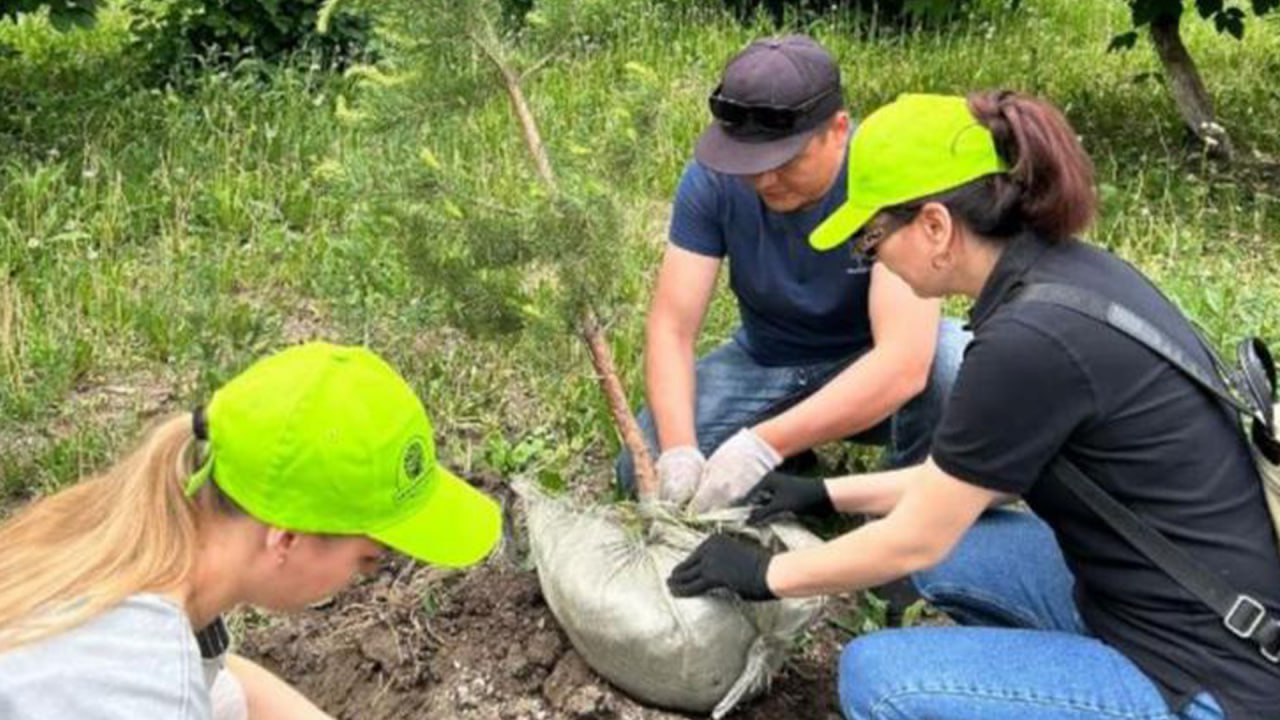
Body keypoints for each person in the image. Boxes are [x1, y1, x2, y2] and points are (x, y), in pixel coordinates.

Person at [665, 91, 1280, 719]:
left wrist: (764, 575)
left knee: (879, 677)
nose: (871, 258)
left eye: (871, 239)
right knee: (958, 550)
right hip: (1148, 593)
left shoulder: (1028, 340)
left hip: (1206, 676)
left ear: (934, 226)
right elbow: (974, 484)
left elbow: (916, 541)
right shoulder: (1067, 277)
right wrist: (824, 495)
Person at [0, 342, 502, 720]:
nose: (364, 577)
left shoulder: (111, 551)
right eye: (367, 560)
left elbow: (224, 686)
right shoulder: (140, 690)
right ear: (287, 539)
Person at [616, 34, 968, 511]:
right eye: (749, 162)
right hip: (767, 362)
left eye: (785, 161)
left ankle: (897, 505)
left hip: (867, 363)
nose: (764, 179)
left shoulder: (888, 175)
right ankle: (789, 465)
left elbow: (903, 362)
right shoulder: (712, 180)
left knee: (954, 369)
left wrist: (762, 444)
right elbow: (672, 327)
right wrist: (680, 448)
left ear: (838, 130)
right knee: (641, 465)